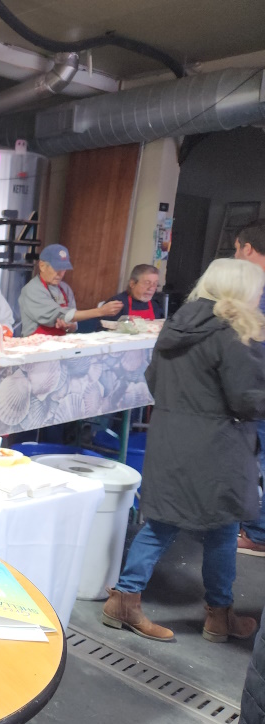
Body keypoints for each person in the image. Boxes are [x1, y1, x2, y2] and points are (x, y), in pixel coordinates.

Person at [101, 258, 265, 643]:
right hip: (219, 446)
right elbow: (247, 400)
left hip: (171, 438)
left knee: (164, 523)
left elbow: (153, 380)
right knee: (222, 528)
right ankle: (218, 614)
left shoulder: (175, 324)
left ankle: (126, 601)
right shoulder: (234, 332)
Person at [232, 219, 265, 556]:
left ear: (248, 248)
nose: (236, 257)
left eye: (236, 250)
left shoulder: (258, 292)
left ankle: (258, 535)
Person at [19, 244, 124, 336]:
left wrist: (69, 327)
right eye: (56, 268)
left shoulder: (65, 288)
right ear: (42, 266)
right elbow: (58, 315)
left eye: (63, 269)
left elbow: (73, 323)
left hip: (60, 343)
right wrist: (100, 311)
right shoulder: (32, 290)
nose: (60, 274)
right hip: (37, 345)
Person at [100, 263, 165, 322]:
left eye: (155, 284)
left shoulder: (155, 305)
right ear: (132, 284)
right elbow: (103, 329)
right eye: (147, 283)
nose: (151, 288)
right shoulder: (116, 303)